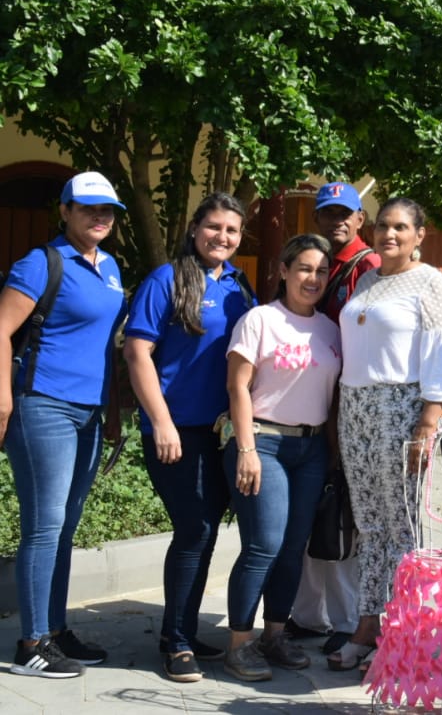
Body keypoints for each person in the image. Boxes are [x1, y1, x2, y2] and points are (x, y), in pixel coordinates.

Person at [1, 172, 128, 679]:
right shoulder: (41, 263)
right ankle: (30, 643)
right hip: (43, 406)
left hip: (89, 411)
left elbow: (104, 345)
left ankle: (53, 630)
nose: (100, 217)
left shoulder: (110, 266)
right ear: (65, 211)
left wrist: (112, 408)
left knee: (66, 526)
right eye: (88, 208)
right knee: (45, 525)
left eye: (108, 210)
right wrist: (4, 399)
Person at [124, 192, 254, 682]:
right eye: (214, 227)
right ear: (195, 228)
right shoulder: (167, 279)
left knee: (202, 534)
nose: (222, 237)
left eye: (232, 231)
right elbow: (138, 353)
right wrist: (160, 422)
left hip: (219, 433)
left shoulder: (239, 286)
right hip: (176, 430)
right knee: (194, 530)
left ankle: (181, 631)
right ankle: (174, 643)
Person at [329, 197, 442, 671]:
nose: (390, 234)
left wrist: (431, 415)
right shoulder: (366, 280)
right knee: (370, 522)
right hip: (356, 407)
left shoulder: (430, 283)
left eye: (401, 227)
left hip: (400, 407)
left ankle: (402, 634)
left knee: (403, 522)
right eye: (384, 225)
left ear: (419, 235)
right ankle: (367, 623)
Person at [221, 234, 342, 681]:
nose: (313, 278)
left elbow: (332, 398)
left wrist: (332, 453)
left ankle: (274, 635)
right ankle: (239, 642)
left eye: (322, 271)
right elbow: (237, 387)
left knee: (293, 549)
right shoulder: (260, 320)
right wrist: (246, 447)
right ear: (285, 272)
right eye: (305, 268)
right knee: (263, 545)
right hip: (263, 441)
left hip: (310, 449)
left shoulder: (330, 331)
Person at [287, 181, 380, 655]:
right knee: (315, 509)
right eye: (328, 213)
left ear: (361, 219)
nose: (337, 220)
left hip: (353, 405)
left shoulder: (369, 268)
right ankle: (308, 613)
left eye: (346, 213)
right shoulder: (326, 264)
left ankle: (349, 618)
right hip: (315, 399)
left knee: (348, 515)